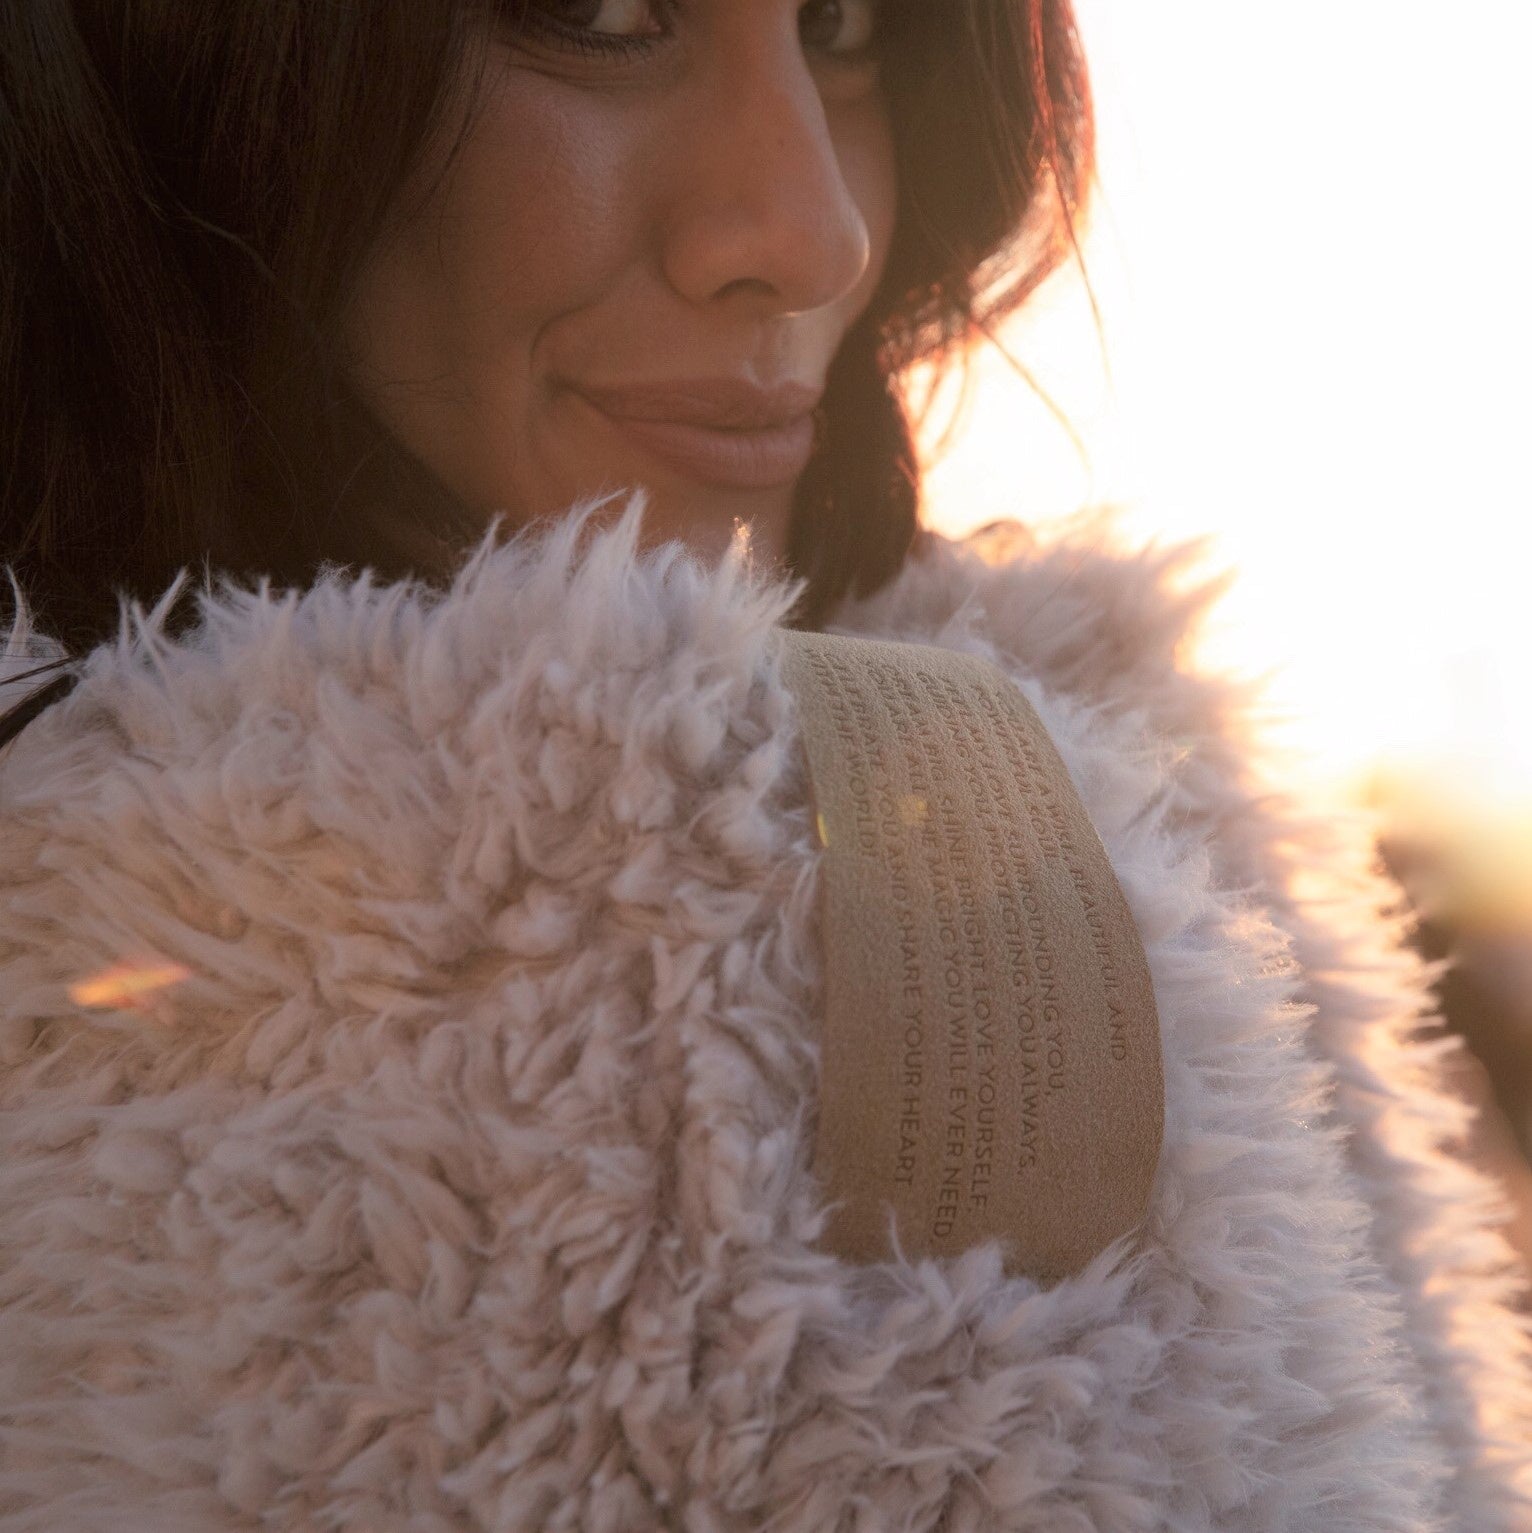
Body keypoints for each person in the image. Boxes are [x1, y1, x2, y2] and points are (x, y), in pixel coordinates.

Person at [2, 3, 1530, 1529]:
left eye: (844, 24)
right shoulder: (789, 883)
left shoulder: (1002, 817)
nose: (815, 232)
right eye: (603, 14)